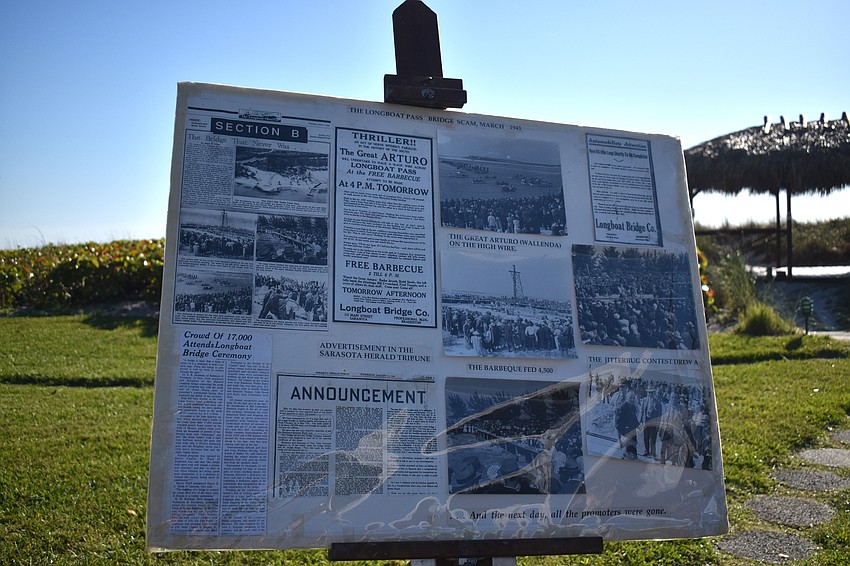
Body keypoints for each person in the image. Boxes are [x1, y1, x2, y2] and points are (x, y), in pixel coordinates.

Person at [640, 387, 663, 458]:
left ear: (654, 393)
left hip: (653, 423)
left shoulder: (658, 402)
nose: (650, 394)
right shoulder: (644, 400)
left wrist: (658, 425)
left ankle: (653, 452)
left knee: (653, 439)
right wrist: (640, 420)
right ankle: (646, 451)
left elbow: (659, 415)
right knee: (646, 438)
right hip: (646, 422)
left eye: (652, 392)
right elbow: (642, 411)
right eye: (649, 392)